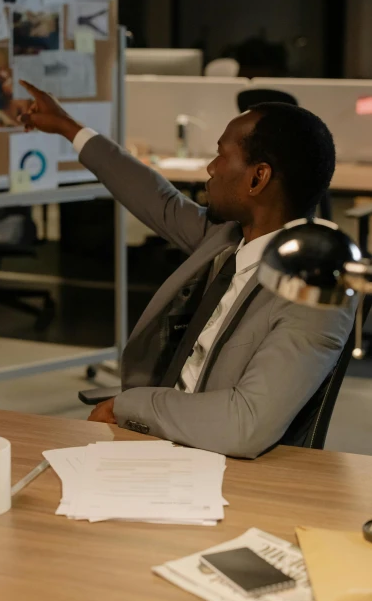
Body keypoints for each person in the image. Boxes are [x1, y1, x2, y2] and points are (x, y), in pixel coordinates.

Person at [19, 81, 356, 459]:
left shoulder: (313, 288)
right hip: (164, 435)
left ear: (257, 178)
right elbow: (153, 196)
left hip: (214, 462)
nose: (210, 168)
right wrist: (68, 127)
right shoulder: (228, 236)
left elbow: (244, 424)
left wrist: (125, 407)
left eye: (221, 155)